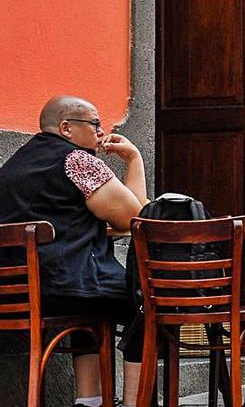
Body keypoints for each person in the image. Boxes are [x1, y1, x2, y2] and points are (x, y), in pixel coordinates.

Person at [0, 96, 148, 407]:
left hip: (19, 293)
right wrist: (134, 160)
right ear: (66, 128)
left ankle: (90, 401)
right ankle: (137, 402)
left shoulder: (11, 167)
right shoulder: (78, 161)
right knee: (146, 301)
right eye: (95, 124)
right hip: (64, 286)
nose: (101, 131)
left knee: (93, 298)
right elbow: (135, 218)